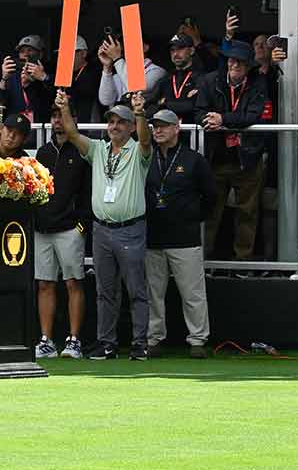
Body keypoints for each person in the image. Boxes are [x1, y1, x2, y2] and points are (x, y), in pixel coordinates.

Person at [57, 89, 152, 360]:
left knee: (136, 290)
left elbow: (146, 140)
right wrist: (64, 108)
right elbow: (72, 134)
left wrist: (140, 113)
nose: (114, 126)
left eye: (121, 122)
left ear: (131, 127)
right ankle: (107, 343)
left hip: (130, 229)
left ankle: (140, 344)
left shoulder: (138, 150)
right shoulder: (98, 149)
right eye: (111, 121)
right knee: (104, 292)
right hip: (101, 230)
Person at [144, 107, 213, 357]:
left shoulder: (194, 160)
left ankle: (197, 341)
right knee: (153, 294)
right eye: (155, 126)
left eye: (163, 126)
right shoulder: (147, 157)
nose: (158, 130)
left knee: (192, 293)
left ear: (177, 128)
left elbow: (211, 196)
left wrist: (192, 217)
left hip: (185, 237)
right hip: (153, 236)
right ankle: (154, 338)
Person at [31, 83, 89, 361]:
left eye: (61, 114)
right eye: (53, 115)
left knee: (73, 283)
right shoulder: (42, 153)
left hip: (70, 229)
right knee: (44, 284)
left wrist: (81, 226)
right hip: (42, 229)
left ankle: (74, 340)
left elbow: (88, 192)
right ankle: (46, 340)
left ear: (73, 118)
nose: (57, 120)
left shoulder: (82, 151)